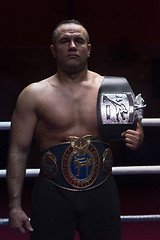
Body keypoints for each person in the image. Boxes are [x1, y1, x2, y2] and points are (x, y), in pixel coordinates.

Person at [7, 19, 144, 240]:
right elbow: (18, 150)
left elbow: (134, 127)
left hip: (102, 192)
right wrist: (14, 206)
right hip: (52, 194)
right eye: (65, 41)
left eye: (78, 40)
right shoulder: (33, 94)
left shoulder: (111, 89)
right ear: (54, 50)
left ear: (88, 50)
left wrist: (138, 136)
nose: (72, 46)